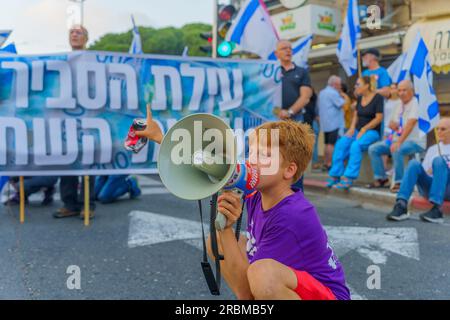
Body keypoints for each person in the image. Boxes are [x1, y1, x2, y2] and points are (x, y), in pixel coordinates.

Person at [135, 106, 350, 300]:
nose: (253, 160)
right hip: (296, 286)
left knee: (262, 274)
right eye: (251, 152)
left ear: (289, 170)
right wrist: (161, 138)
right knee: (215, 241)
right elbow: (211, 165)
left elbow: (249, 292)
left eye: (264, 155)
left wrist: (227, 228)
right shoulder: (258, 191)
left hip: (327, 295)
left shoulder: (292, 214)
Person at [53, 24, 96, 219]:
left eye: (79, 32)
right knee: (67, 161)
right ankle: (69, 204)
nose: (74, 34)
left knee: (88, 161)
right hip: (66, 119)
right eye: (71, 32)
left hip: (89, 118)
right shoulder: (62, 61)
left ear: (86, 38)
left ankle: (88, 205)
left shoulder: (94, 60)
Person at [387, 118, 450, 224]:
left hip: (448, 188)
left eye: (443, 129)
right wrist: (434, 169)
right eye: (437, 129)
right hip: (430, 187)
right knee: (414, 164)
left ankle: (437, 210)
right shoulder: (433, 149)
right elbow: (425, 171)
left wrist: (442, 166)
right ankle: (401, 205)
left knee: (439, 161)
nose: (438, 131)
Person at [327, 76, 383, 190]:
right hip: (357, 130)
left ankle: (348, 178)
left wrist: (364, 129)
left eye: (358, 84)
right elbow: (356, 115)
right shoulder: (360, 98)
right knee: (341, 143)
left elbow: (378, 118)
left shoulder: (378, 98)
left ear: (367, 86)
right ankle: (335, 175)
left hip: (371, 132)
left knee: (355, 146)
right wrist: (352, 128)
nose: (355, 86)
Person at [367, 80, 426, 190]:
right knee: (373, 149)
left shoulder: (415, 103)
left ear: (412, 91)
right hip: (396, 139)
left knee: (396, 149)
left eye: (404, 90)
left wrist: (399, 142)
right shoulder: (398, 104)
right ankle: (381, 179)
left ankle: (400, 182)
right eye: (399, 90)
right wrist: (392, 125)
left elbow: (410, 124)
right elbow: (392, 123)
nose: (401, 93)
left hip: (415, 141)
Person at [274, 39, 313, 191]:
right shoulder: (270, 71)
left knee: (295, 157)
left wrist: (289, 112)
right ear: (276, 53)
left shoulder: (302, 72)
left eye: (290, 48)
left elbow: (305, 96)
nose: (288, 51)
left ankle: (296, 194)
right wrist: (277, 112)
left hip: (295, 121)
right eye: (284, 48)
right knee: (274, 158)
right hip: (273, 121)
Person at [318, 76, 346, 171]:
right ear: (334, 84)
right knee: (332, 144)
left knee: (327, 144)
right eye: (339, 84)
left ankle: (326, 163)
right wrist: (343, 96)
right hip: (334, 122)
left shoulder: (322, 92)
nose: (340, 86)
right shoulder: (333, 93)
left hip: (325, 123)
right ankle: (330, 164)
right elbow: (342, 104)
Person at [303, 90, 320, 170]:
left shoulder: (305, 101)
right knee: (314, 145)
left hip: (310, 123)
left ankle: (312, 163)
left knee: (312, 145)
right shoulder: (314, 100)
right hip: (313, 123)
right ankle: (313, 163)